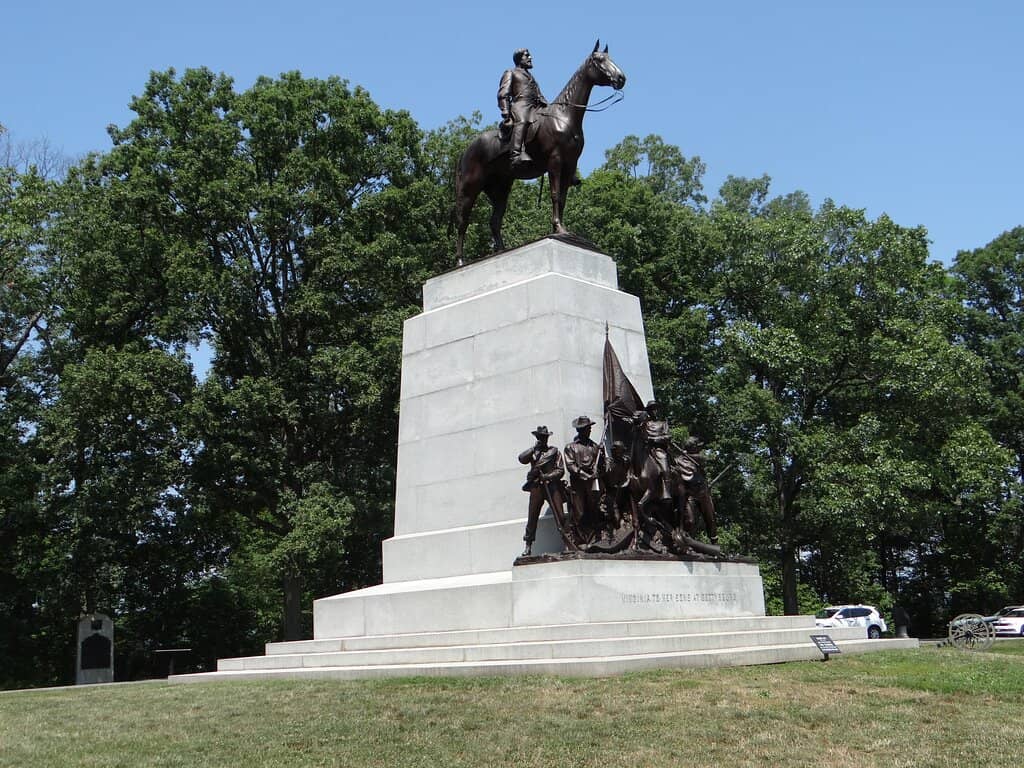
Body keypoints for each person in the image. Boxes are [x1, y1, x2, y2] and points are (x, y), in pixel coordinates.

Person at [517, 426, 566, 556]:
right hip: (537, 487)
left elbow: (560, 470)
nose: (542, 439)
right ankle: (528, 545)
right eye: (540, 437)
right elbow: (521, 459)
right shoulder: (533, 453)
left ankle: (567, 540)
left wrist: (548, 476)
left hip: (552, 486)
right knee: (532, 517)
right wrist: (533, 449)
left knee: (560, 515)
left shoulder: (554, 451)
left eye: (544, 437)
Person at [497, 48, 547, 169]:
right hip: (521, 105)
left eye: (529, 56)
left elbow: (539, 95)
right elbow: (503, 93)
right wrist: (505, 110)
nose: (530, 58)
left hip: (535, 107)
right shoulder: (511, 72)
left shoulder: (531, 78)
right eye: (527, 56)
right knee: (522, 121)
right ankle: (516, 155)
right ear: (519, 59)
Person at [563, 416, 602, 541]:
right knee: (579, 513)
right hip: (578, 484)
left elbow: (602, 466)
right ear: (580, 430)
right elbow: (571, 466)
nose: (590, 430)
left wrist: (603, 462)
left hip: (593, 484)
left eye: (590, 428)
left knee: (594, 510)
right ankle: (580, 540)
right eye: (587, 428)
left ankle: (595, 538)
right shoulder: (571, 447)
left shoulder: (595, 447)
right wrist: (587, 476)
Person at [674, 436, 718, 545]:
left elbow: (702, 459)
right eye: (698, 447)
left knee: (711, 519)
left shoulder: (698, 459)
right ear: (692, 447)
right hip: (690, 495)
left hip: (703, 494)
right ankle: (689, 544)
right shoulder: (678, 461)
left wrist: (687, 455)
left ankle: (714, 543)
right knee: (690, 521)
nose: (700, 449)